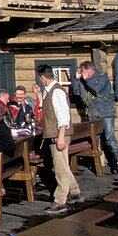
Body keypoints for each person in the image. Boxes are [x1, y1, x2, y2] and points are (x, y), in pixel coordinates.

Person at [38, 64, 82, 214]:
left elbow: (63, 117)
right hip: (56, 134)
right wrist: (39, 95)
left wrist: (61, 137)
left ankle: (60, 201)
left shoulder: (56, 92)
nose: (40, 81)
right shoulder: (49, 91)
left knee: (59, 168)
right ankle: (75, 192)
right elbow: (47, 108)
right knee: (63, 164)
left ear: (43, 77)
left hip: (59, 134)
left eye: (40, 79)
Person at [71, 61, 118, 174]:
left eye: (83, 71)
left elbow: (98, 91)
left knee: (110, 139)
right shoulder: (84, 81)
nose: (82, 73)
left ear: (90, 69)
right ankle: (93, 163)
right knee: (94, 139)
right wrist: (76, 79)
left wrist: (86, 80)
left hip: (106, 113)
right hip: (93, 114)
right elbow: (76, 92)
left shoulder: (102, 78)